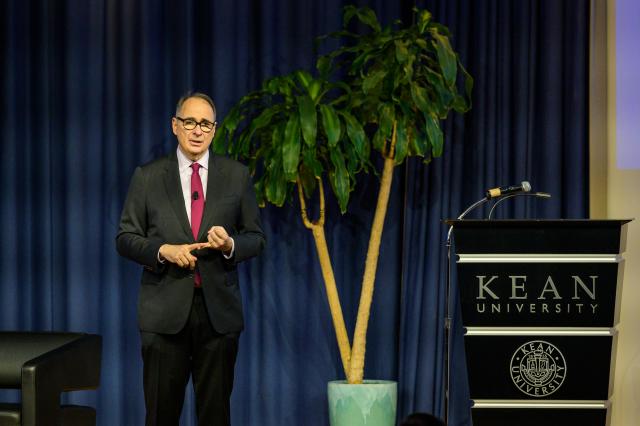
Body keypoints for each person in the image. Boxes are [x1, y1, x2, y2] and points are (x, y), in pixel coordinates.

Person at [116, 92, 265, 426]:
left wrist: (229, 244)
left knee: (215, 416)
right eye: (189, 122)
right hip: (164, 315)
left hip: (218, 316)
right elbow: (125, 238)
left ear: (214, 130)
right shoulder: (149, 177)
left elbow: (255, 239)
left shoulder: (236, 176)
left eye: (205, 124)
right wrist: (162, 251)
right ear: (175, 125)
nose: (197, 130)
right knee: (160, 415)